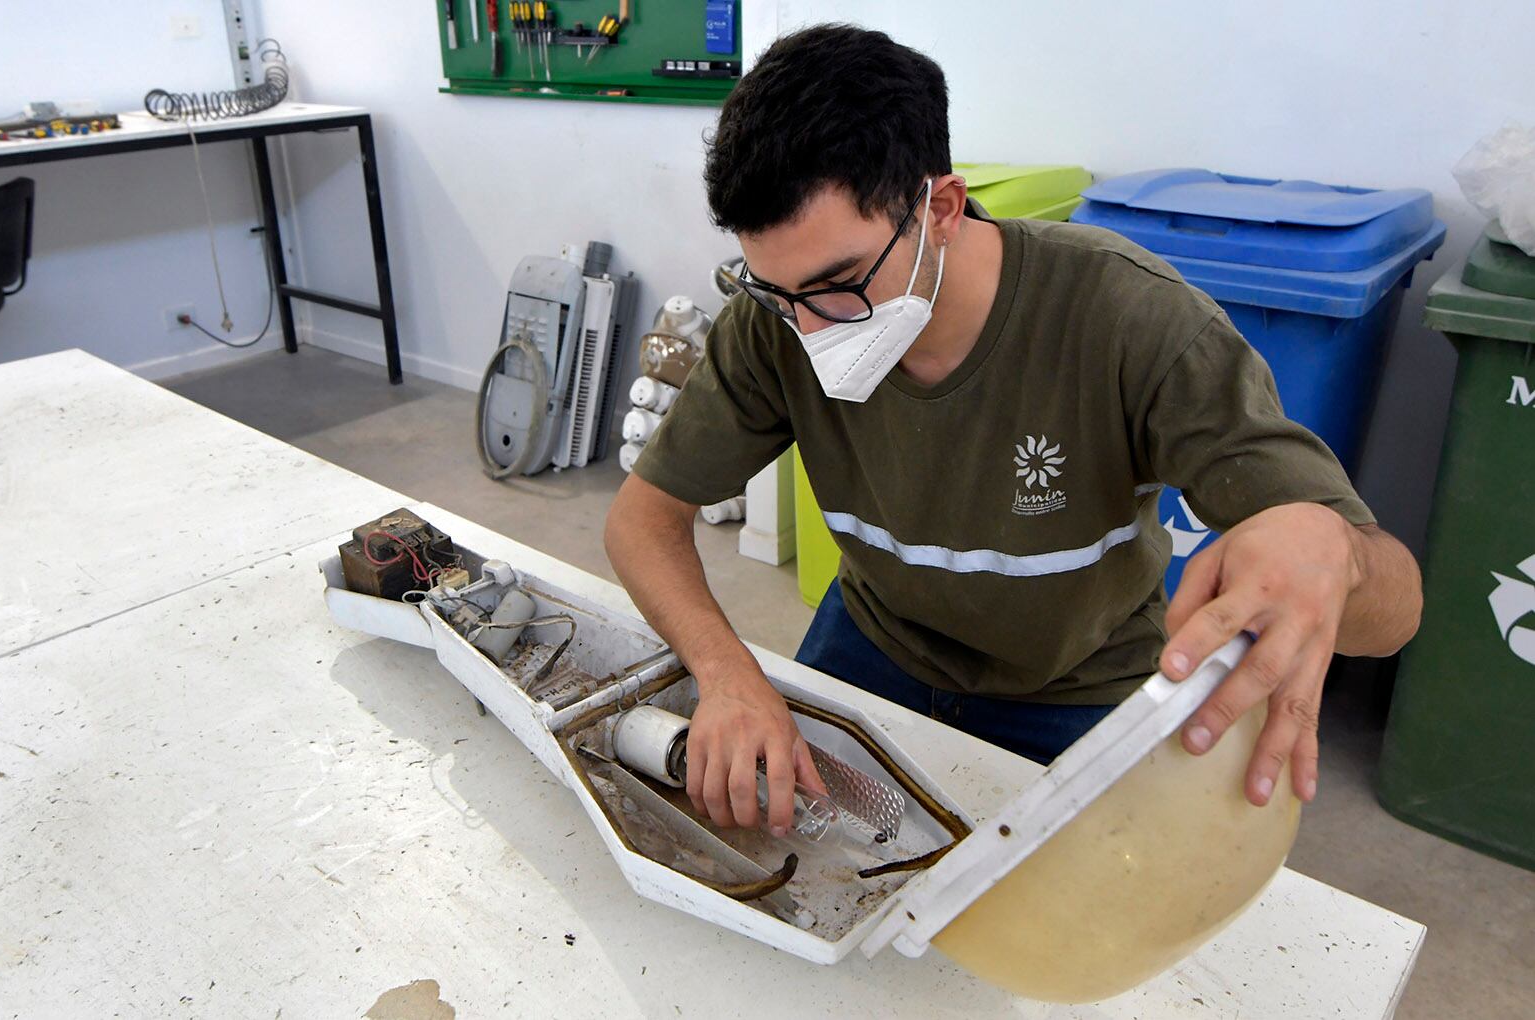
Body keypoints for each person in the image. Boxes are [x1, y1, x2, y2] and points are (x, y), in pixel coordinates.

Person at [603, 24, 1422, 838]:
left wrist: (1337, 554)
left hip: (1078, 679)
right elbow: (642, 519)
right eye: (778, 292)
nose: (811, 330)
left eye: (840, 285)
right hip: (878, 641)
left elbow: (1397, 612)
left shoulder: (1132, 321)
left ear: (943, 209)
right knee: (799, 850)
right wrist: (727, 673)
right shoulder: (774, 321)